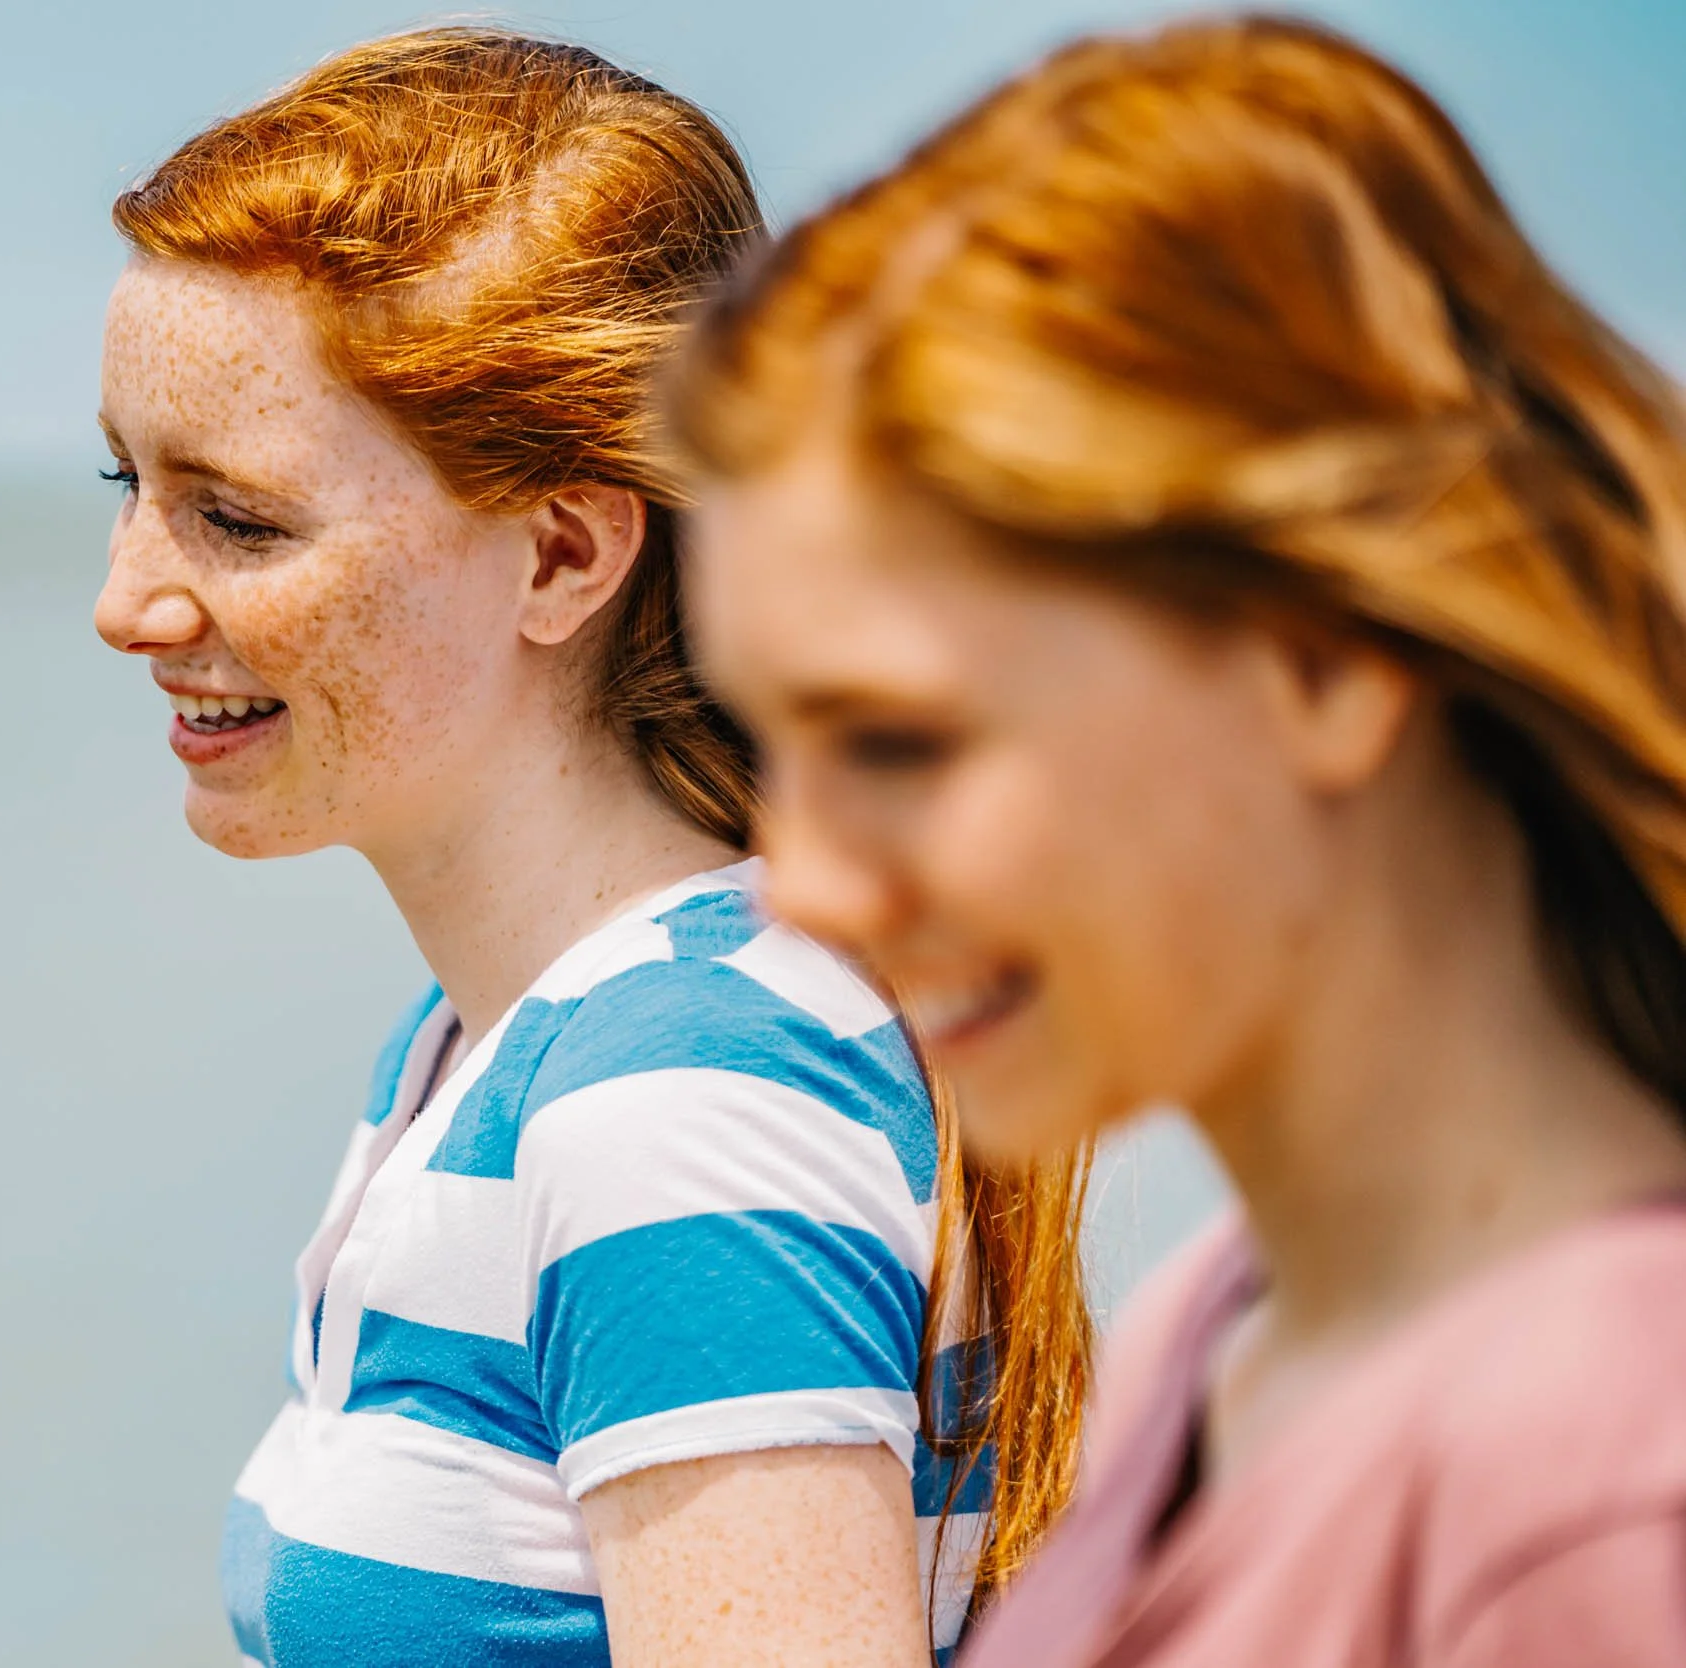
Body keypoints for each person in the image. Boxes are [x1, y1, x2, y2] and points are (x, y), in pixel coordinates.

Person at [671, 15, 1686, 1667]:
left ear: (1323, 660)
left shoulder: (1600, 1487)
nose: (808, 882)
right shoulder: (1219, 1332)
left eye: (901, 743)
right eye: (767, 749)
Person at [91, 28, 1089, 1668]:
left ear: (563, 553)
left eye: (238, 518)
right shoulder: (486, 1049)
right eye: (125, 481)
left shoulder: (678, 1100)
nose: (128, 600)